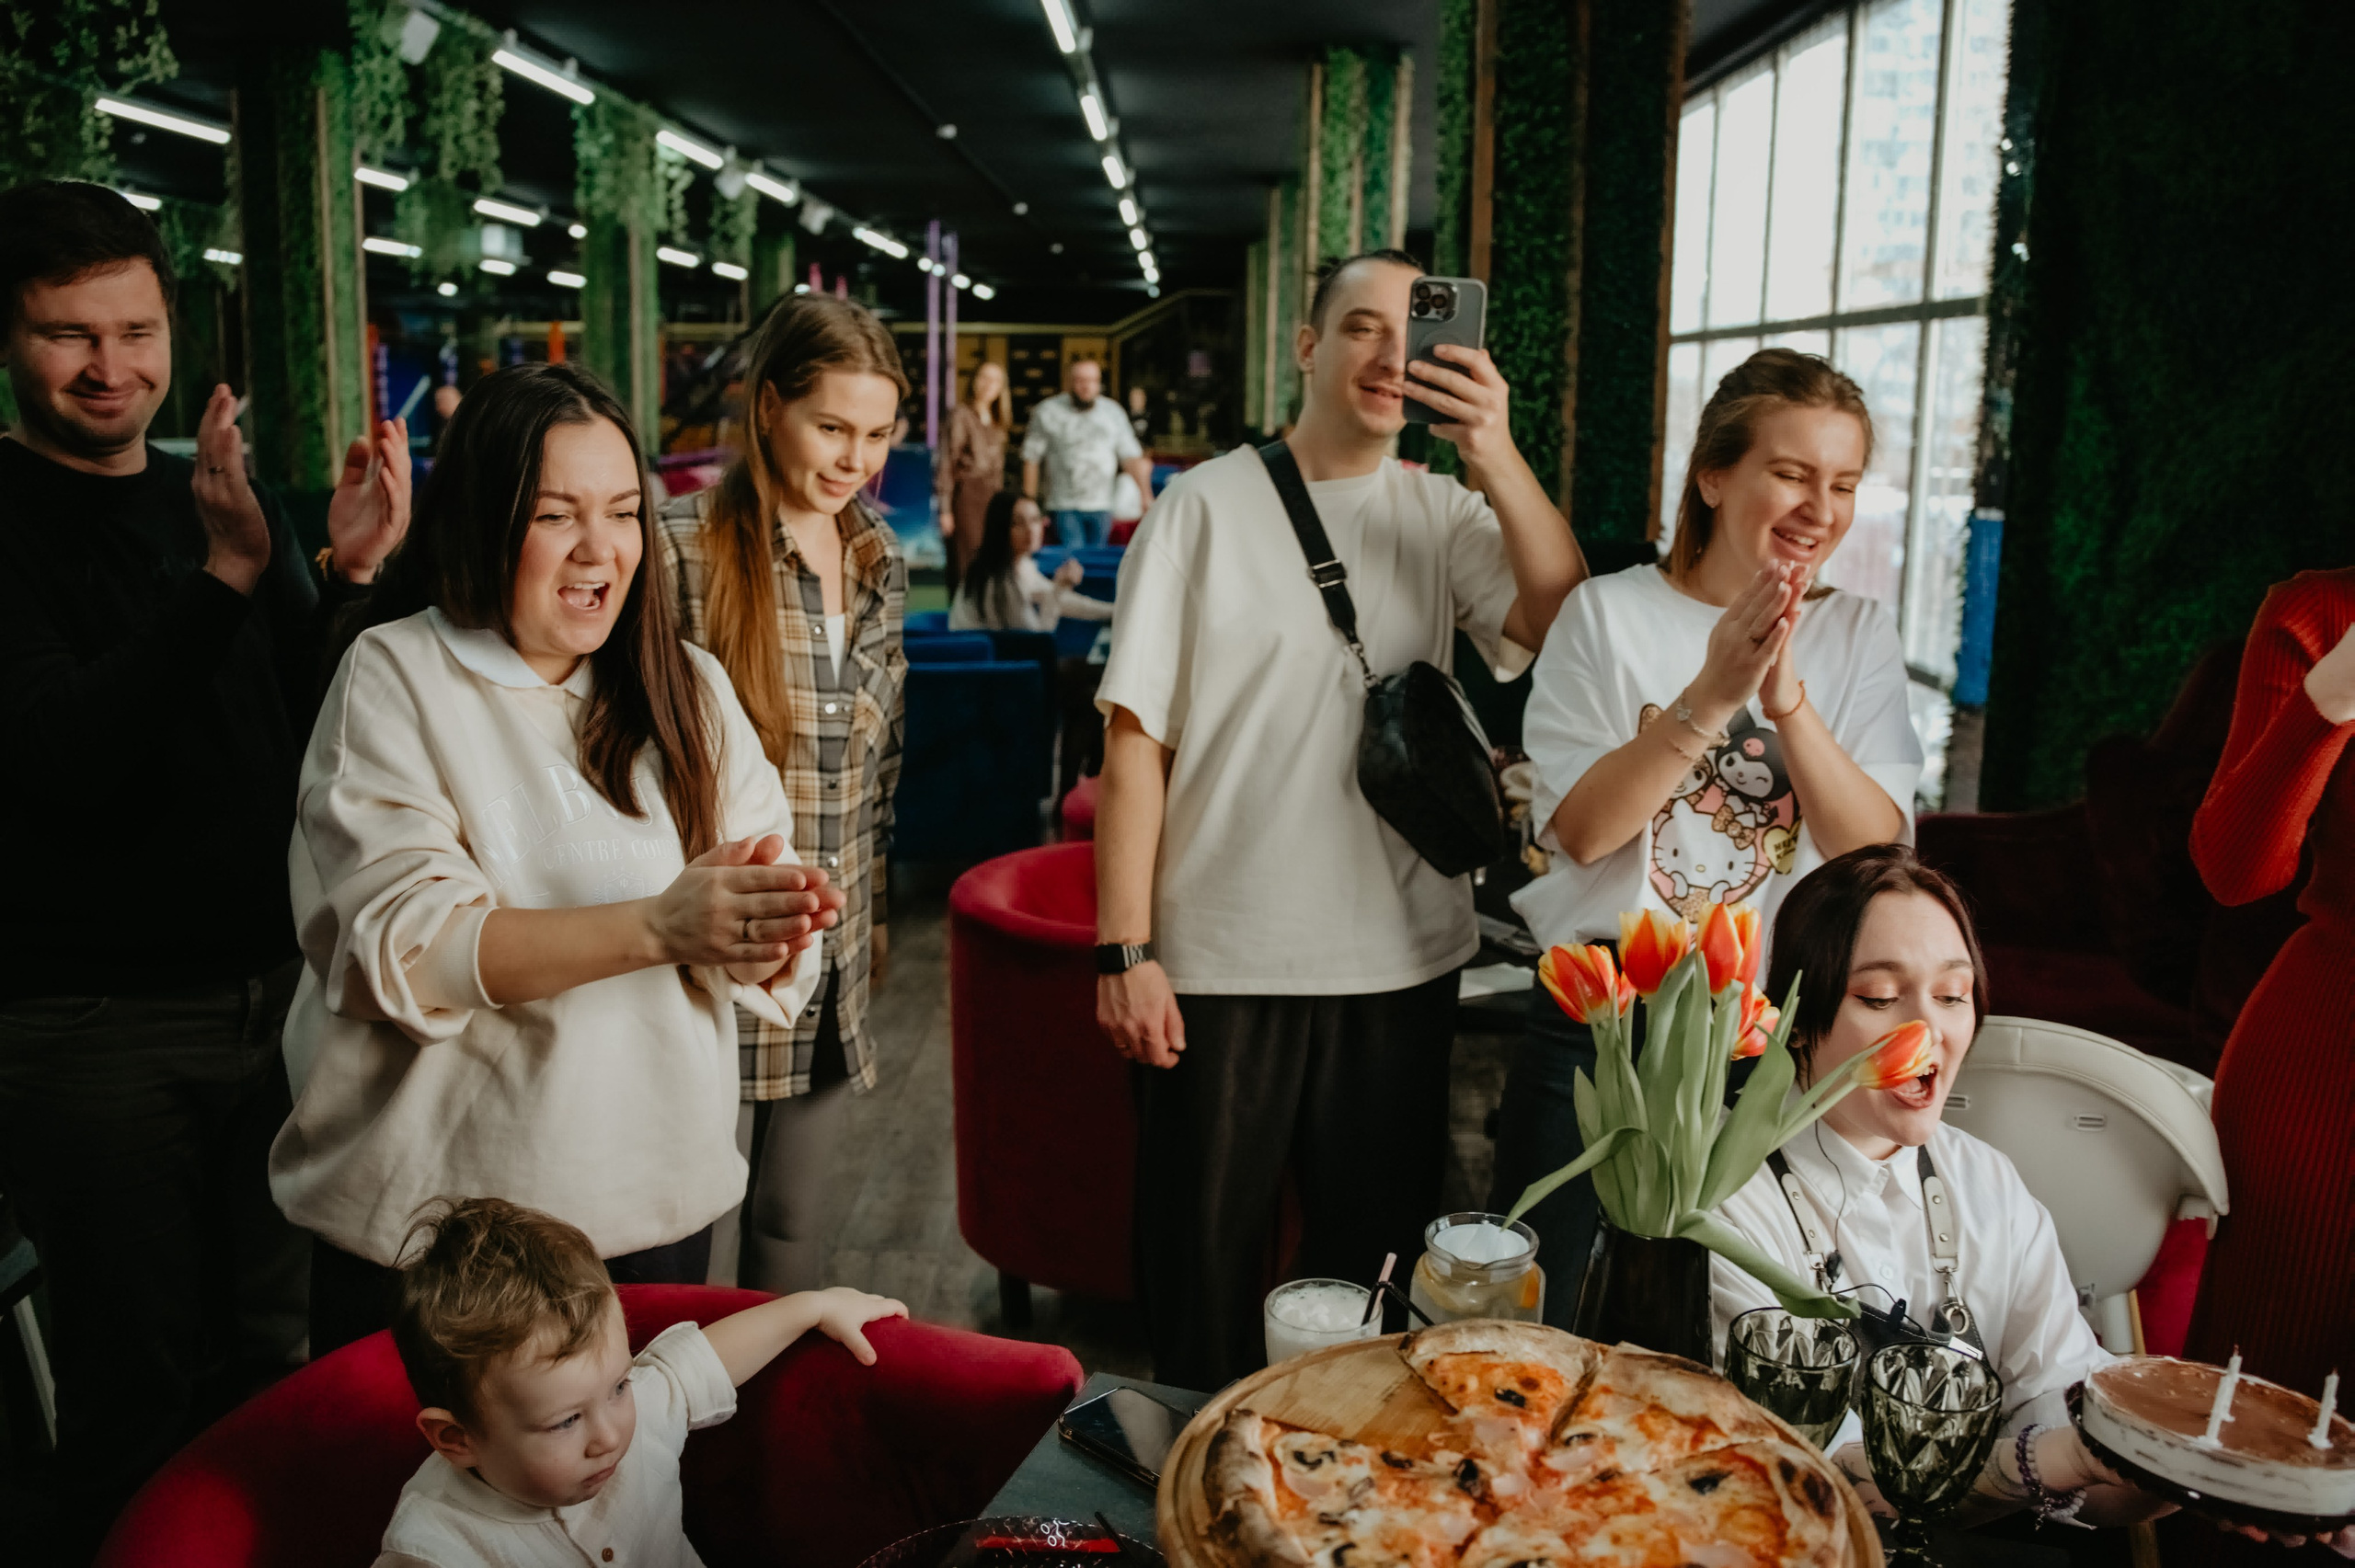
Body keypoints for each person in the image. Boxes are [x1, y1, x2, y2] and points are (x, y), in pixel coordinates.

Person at [273, 361, 845, 1356]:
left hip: (653, 1205)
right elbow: (407, 952)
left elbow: (749, 954)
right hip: (446, 1238)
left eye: (624, 513)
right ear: (483, 521)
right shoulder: (399, 673)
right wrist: (661, 923)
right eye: (554, 516)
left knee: (637, 1492)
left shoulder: (688, 687)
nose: (600, 550)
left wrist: (763, 924)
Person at [1095, 247, 1588, 1387]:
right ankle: (1192, 1487)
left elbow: (1564, 624)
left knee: (1367, 1270)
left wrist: (1496, 451)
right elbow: (1135, 739)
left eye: (1407, 331)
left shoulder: (1446, 509)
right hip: (1222, 957)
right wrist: (1125, 947)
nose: (1385, 352)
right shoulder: (1201, 506)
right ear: (1307, 347)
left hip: (1397, 954)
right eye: (1358, 326)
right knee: (1200, 1260)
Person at [0, 177, 410, 1539]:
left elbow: (298, 718)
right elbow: (62, 751)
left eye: (135, 328)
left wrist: (343, 577)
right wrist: (227, 575)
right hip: (96, 1023)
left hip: (273, 1003)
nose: (111, 367)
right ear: (10, 340)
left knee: (275, 1364)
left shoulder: (215, 499)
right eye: (70, 334)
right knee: (136, 1385)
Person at [1709, 846, 2355, 1553]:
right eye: (1879, 996)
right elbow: (1836, 1485)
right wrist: (2066, 1457)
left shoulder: (1984, 1183)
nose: (1928, 1031)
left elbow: (2070, 1414)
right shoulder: (1723, 1196)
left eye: (1953, 996)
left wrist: (2186, 1467)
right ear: (1797, 1018)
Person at [1491, 347, 1924, 1319]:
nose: (1821, 506)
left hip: (1763, 1035)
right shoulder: (1607, 616)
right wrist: (1712, 694)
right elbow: (1587, 832)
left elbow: (1872, 857)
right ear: (1713, 474)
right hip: (1598, 1023)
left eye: (1844, 483)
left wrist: (1789, 704)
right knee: (1536, 1310)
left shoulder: (1857, 633)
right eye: (1791, 473)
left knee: (1720, 1327)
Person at [656, 293, 906, 1296]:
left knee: (792, 1227)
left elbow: (877, 766)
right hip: (703, 952)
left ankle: (762, 1441)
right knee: (684, 1229)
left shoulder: (878, 556)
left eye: (879, 433)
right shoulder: (678, 549)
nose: (857, 458)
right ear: (767, 408)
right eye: (832, 426)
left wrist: (874, 908)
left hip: (830, 941)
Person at [374, 1196, 903, 1568]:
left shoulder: (634, 1418)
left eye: (620, 1386)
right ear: (457, 1439)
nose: (609, 1436)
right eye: (565, 1421)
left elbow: (699, 1363)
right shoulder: (433, 1551)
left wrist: (812, 1306)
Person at [2185, 567, 2355, 1397]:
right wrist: (2329, 701)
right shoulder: (2319, 615)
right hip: (2326, 1085)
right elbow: (2236, 868)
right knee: (2263, 1433)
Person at [1022, 355, 1151, 548]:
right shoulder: (1048, 411)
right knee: (1074, 561)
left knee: (1097, 559)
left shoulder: (1112, 412)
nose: (1086, 387)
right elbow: (1031, 458)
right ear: (1069, 382)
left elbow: (1130, 457)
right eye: (1080, 381)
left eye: (1092, 381)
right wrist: (1029, 502)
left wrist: (1146, 496)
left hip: (1103, 505)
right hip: (1064, 505)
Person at [949, 490, 1114, 635]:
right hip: (983, 667)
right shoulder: (997, 580)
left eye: (1035, 520)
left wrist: (1116, 610)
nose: (1030, 530)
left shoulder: (1021, 566)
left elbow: (1068, 603)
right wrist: (1059, 588)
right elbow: (1038, 640)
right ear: (1000, 529)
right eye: (1017, 523)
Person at [936, 360, 1008, 584]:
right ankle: (962, 617)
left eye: (996, 380)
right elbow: (947, 461)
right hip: (967, 497)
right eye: (984, 377)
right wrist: (945, 509)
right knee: (966, 561)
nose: (989, 385)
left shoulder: (997, 420)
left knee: (990, 561)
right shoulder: (960, 414)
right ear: (973, 381)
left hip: (993, 498)